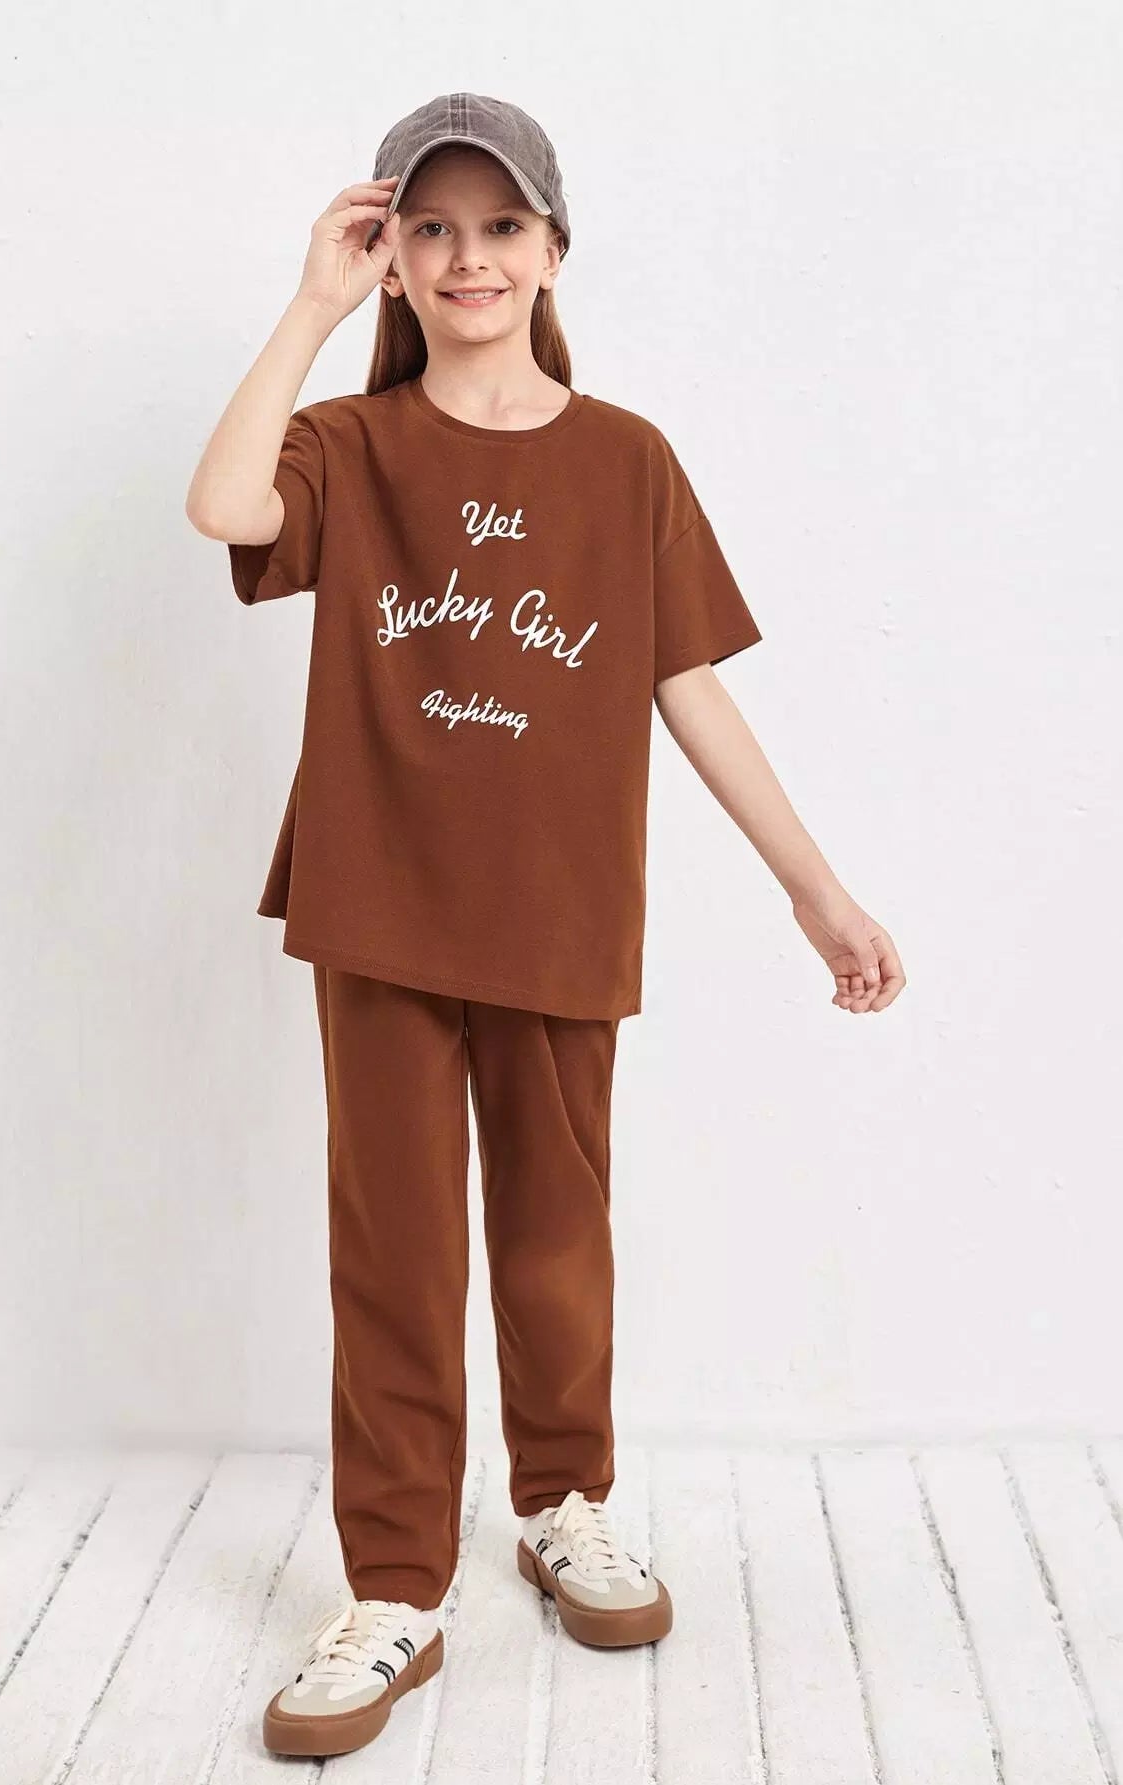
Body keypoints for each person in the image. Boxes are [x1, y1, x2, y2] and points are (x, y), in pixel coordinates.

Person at [186, 92, 905, 1760]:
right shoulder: (350, 446)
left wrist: (817, 888)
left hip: (563, 910)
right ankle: (394, 1585)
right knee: (396, 1251)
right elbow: (224, 510)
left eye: (500, 226)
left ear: (554, 248)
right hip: (379, 903)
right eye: (430, 229)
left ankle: (564, 1500)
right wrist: (310, 303)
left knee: (558, 1235)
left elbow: (688, 684)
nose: (468, 258)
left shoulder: (626, 461)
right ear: (392, 257)